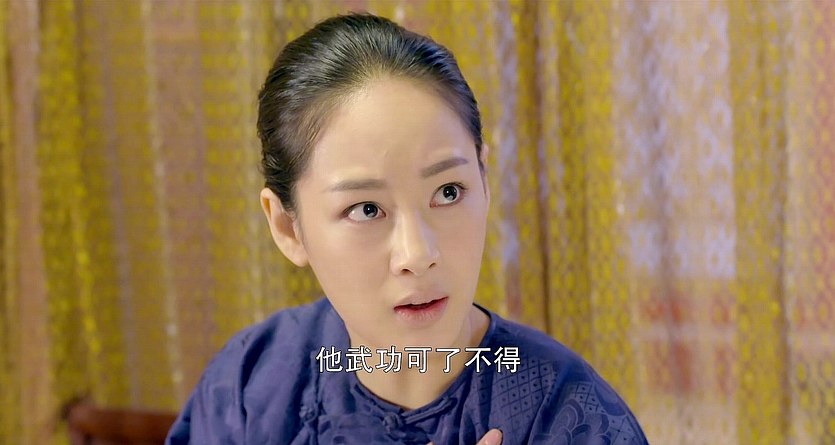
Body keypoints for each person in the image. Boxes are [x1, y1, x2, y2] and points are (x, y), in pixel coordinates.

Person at [166, 12, 649, 445]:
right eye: (366, 209)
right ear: (288, 227)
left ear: (484, 179)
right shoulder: (251, 384)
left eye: (449, 192)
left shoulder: (573, 420)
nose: (418, 254)